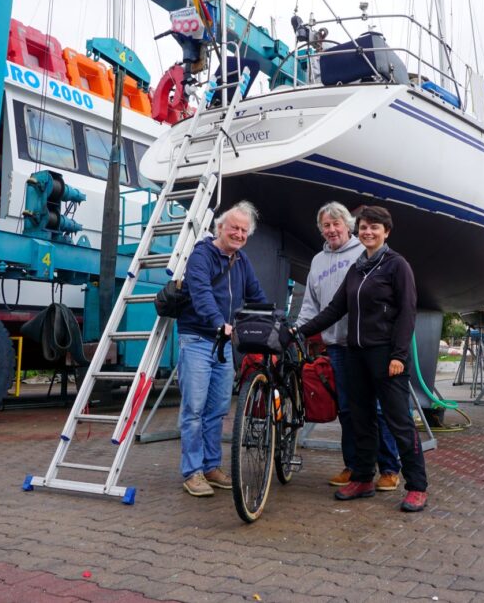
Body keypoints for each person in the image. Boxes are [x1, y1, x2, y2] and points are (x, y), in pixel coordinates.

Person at [298, 205, 428, 512]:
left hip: (385, 355)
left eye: (375, 227)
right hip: (355, 354)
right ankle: (363, 478)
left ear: (386, 232)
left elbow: (408, 314)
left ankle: (417, 486)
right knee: (361, 419)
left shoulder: (397, 266)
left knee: (398, 421)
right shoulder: (357, 268)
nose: (368, 232)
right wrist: (299, 331)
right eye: (364, 227)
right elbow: (333, 309)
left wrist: (398, 355)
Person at [176, 201, 268, 497]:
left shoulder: (241, 261)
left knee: (217, 410)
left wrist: (272, 321)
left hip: (224, 345)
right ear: (220, 228)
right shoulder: (202, 255)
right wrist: (219, 323)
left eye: (244, 230)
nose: (239, 234)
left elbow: (256, 294)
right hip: (199, 340)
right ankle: (192, 472)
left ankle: (211, 466)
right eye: (234, 228)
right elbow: (201, 293)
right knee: (193, 409)